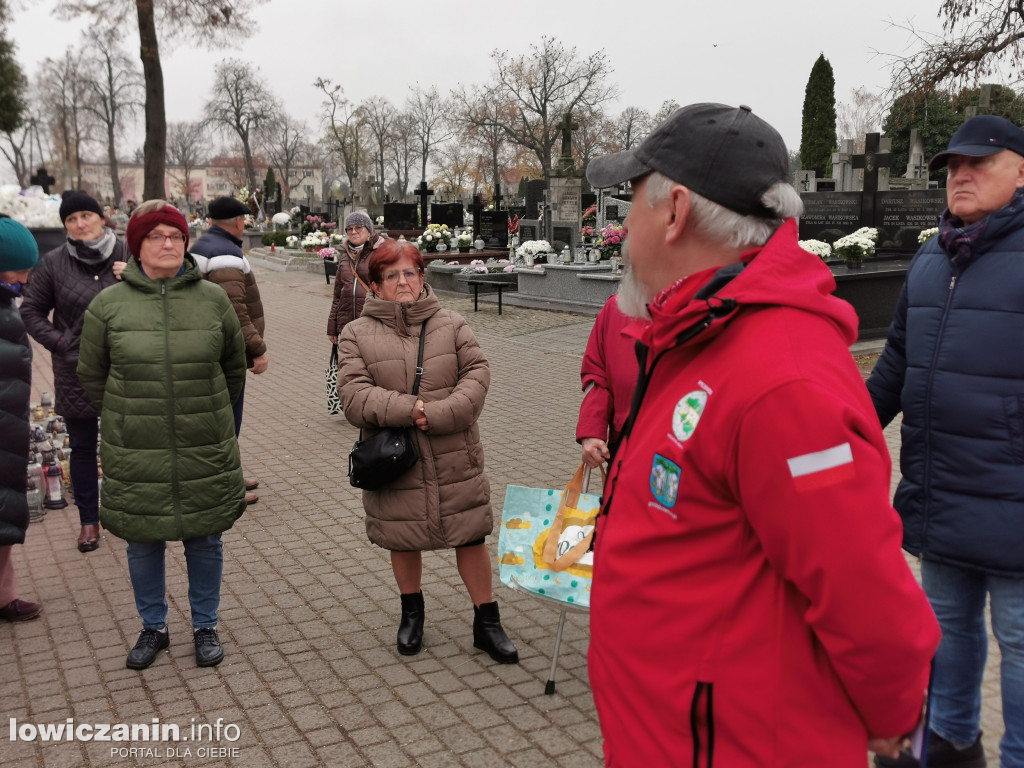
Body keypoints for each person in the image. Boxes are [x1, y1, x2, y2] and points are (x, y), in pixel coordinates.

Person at [583, 103, 940, 767]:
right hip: (673, 736)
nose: (621, 233)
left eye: (628, 205)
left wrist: (893, 714)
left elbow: (863, 591)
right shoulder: (698, 335)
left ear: (674, 210)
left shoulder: (780, 379)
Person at [867, 114, 1024, 768]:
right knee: (947, 635)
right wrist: (837, 434)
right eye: (952, 165)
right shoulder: (933, 258)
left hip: (1015, 499)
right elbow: (894, 368)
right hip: (943, 492)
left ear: (1021, 170)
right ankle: (954, 748)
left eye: (979, 162)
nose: (961, 174)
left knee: (1018, 645)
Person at [77, 200, 246, 670]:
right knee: (142, 540)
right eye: (156, 236)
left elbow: (234, 368)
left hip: (202, 440)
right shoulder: (108, 305)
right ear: (137, 246)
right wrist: (127, 418)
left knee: (205, 538)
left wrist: (210, 416)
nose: (169, 243)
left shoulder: (213, 300)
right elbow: (92, 375)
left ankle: (205, 624)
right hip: (138, 446)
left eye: (176, 235)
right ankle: (153, 627)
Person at [337, 239, 517, 664]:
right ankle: (412, 613)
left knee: (470, 534)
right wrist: (409, 409)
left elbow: (477, 373)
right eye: (391, 275)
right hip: (395, 459)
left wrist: (441, 413)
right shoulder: (356, 333)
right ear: (376, 286)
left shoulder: (451, 323)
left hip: (454, 452)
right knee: (404, 535)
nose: (402, 281)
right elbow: (353, 395)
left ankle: (487, 621)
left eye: (410, 272)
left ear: (422, 278)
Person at [20, 191, 127, 553]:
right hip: (76, 368)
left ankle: (130, 513)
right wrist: (61, 342)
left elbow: (169, 288)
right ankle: (89, 522)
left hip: (129, 365)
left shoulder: (128, 253)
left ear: (101, 217)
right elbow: (31, 311)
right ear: (65, 225)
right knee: (81, 446)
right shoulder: (52, 263)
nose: (80, 224)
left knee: (130, 441)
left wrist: (136, 278)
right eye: (71, 219)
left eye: (86, 215)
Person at [190, 195, 268, 505]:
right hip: (225, 352)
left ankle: (230, 472)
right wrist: (257, 348)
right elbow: (235, 310)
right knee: (226, 421)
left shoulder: (201, 246)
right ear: (237, 222)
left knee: (220, 419)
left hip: (208, 347)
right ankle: (224, 484)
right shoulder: (226, 255)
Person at [0, 216, 42, 622]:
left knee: (4, 518)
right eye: (22, 271)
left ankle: (5, 595)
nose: (26, 280)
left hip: (7, 429)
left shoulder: (5, 301)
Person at [576, 294, 637, 468]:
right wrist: (592, 430)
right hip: (624, 450)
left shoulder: (710, 311)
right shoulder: (617, 308)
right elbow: (598, 376)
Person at [327, 211, 387, 349]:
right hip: (347, 325)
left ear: (369, 232)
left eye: (358, 227)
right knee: (350, 365)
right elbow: (337, 295)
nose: (353, 232)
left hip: (372, 322)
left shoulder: (380, 254)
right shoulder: (345, 257)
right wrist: (332, 326)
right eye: (349, 229)